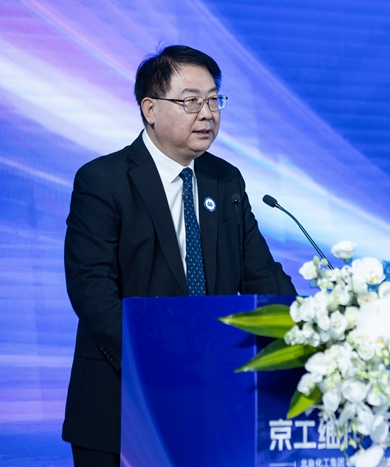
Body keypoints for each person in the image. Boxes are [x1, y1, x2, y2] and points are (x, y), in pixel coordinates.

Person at [62, 45, 297, 466]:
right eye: (191, 101)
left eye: (214, 100)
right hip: (123, 399)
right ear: (150, 109)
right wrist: (157, 359)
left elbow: (262, 274)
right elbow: (91, 291)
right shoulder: (103, 181)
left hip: (213, 401)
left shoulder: (225, 180)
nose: (207, 114)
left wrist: (308, 328)